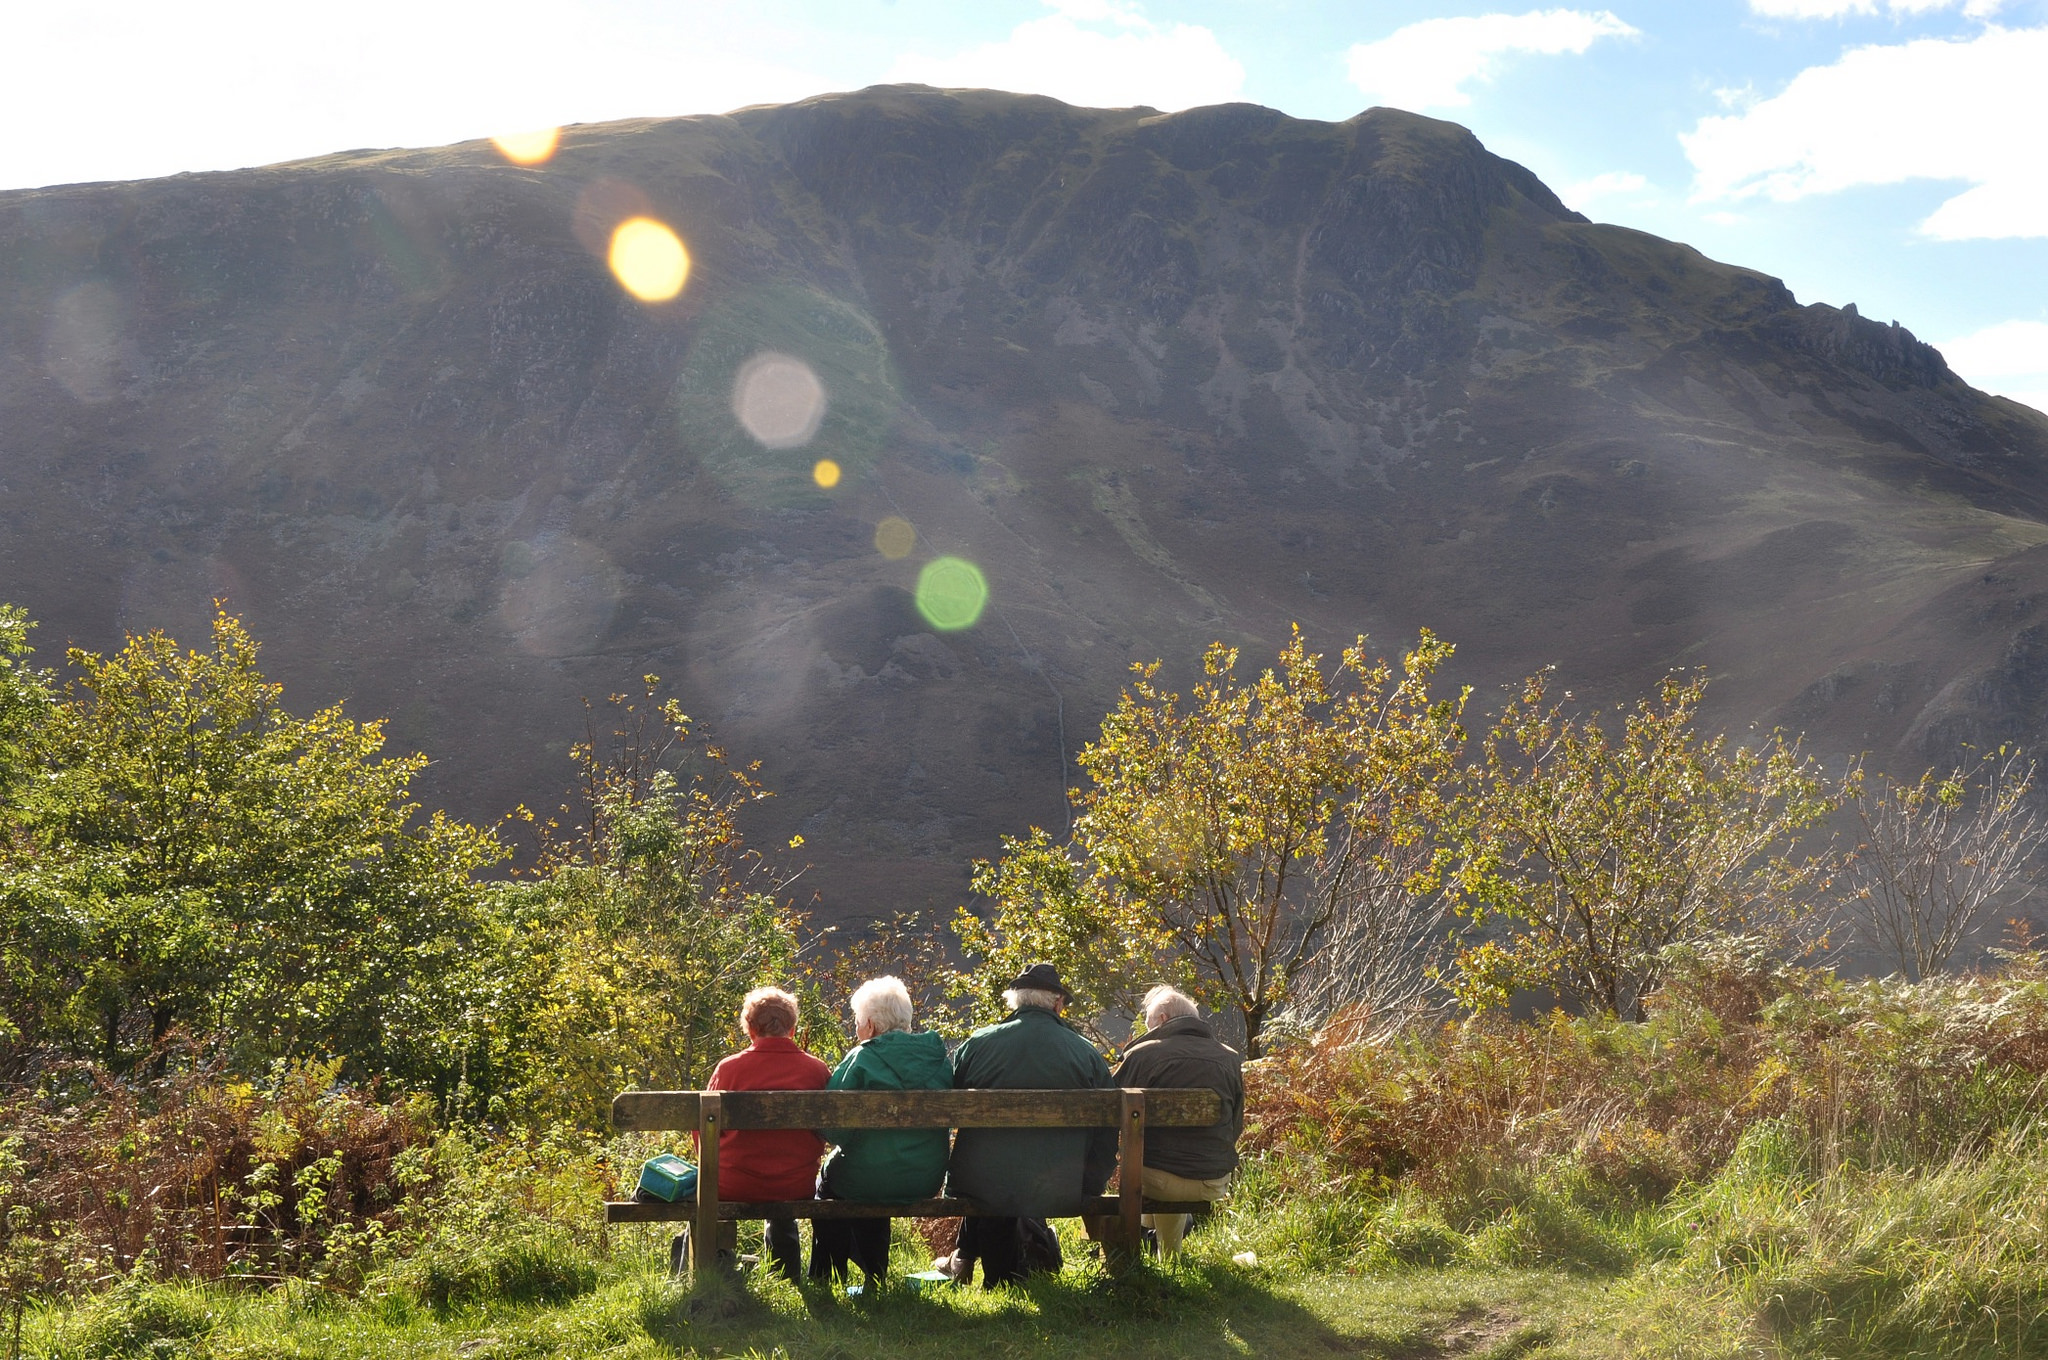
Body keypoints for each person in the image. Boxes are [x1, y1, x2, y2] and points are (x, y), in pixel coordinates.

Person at [942, 963, 1117, 1287]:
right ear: (1057, 1003)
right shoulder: (1086, 1053)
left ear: (1016, 1002)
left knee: (995, 1173)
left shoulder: (977, 1045)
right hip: (1062, 1187)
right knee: (1007, 1174)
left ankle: (985, 1271)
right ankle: (999, 1272)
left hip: (983, 1187)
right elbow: (1108, 1129)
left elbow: (945, 1111)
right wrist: (1090, 1182)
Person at [809, 975, 951, 1287]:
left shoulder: (862, 1057)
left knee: (832, 1183)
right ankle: (875, 1274)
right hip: (924, 1178)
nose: (856, 1029)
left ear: (871, 1026)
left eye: (858, 1022)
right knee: (873, 1167)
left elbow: (833, 1130)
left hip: (867, 1178)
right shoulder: (939, 1060)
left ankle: (826, 1276)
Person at [703, 985, 831, 1282]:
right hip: (794, 1185)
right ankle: (786, 1277)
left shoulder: (729, 1069)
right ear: (793, 1028)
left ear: (749, 1029)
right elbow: (827, 1130)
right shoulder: (816, 1070)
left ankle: (711, 1276)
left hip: (733, 1184)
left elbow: (703, 1134)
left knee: (705, 1191)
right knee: (781, 1190)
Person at [1110, 984, 1244, 1255]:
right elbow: (1236, 1126)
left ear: (1162, 1020)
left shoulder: (1142, 1055)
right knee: (1171, 1166)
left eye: (1148, 1025)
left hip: (1158, 1179)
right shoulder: (1229, 1058)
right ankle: (1168, 1255)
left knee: (1159, 1167)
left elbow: (1106, 1114)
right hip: (1213, 1180)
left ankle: (1155, 1245)